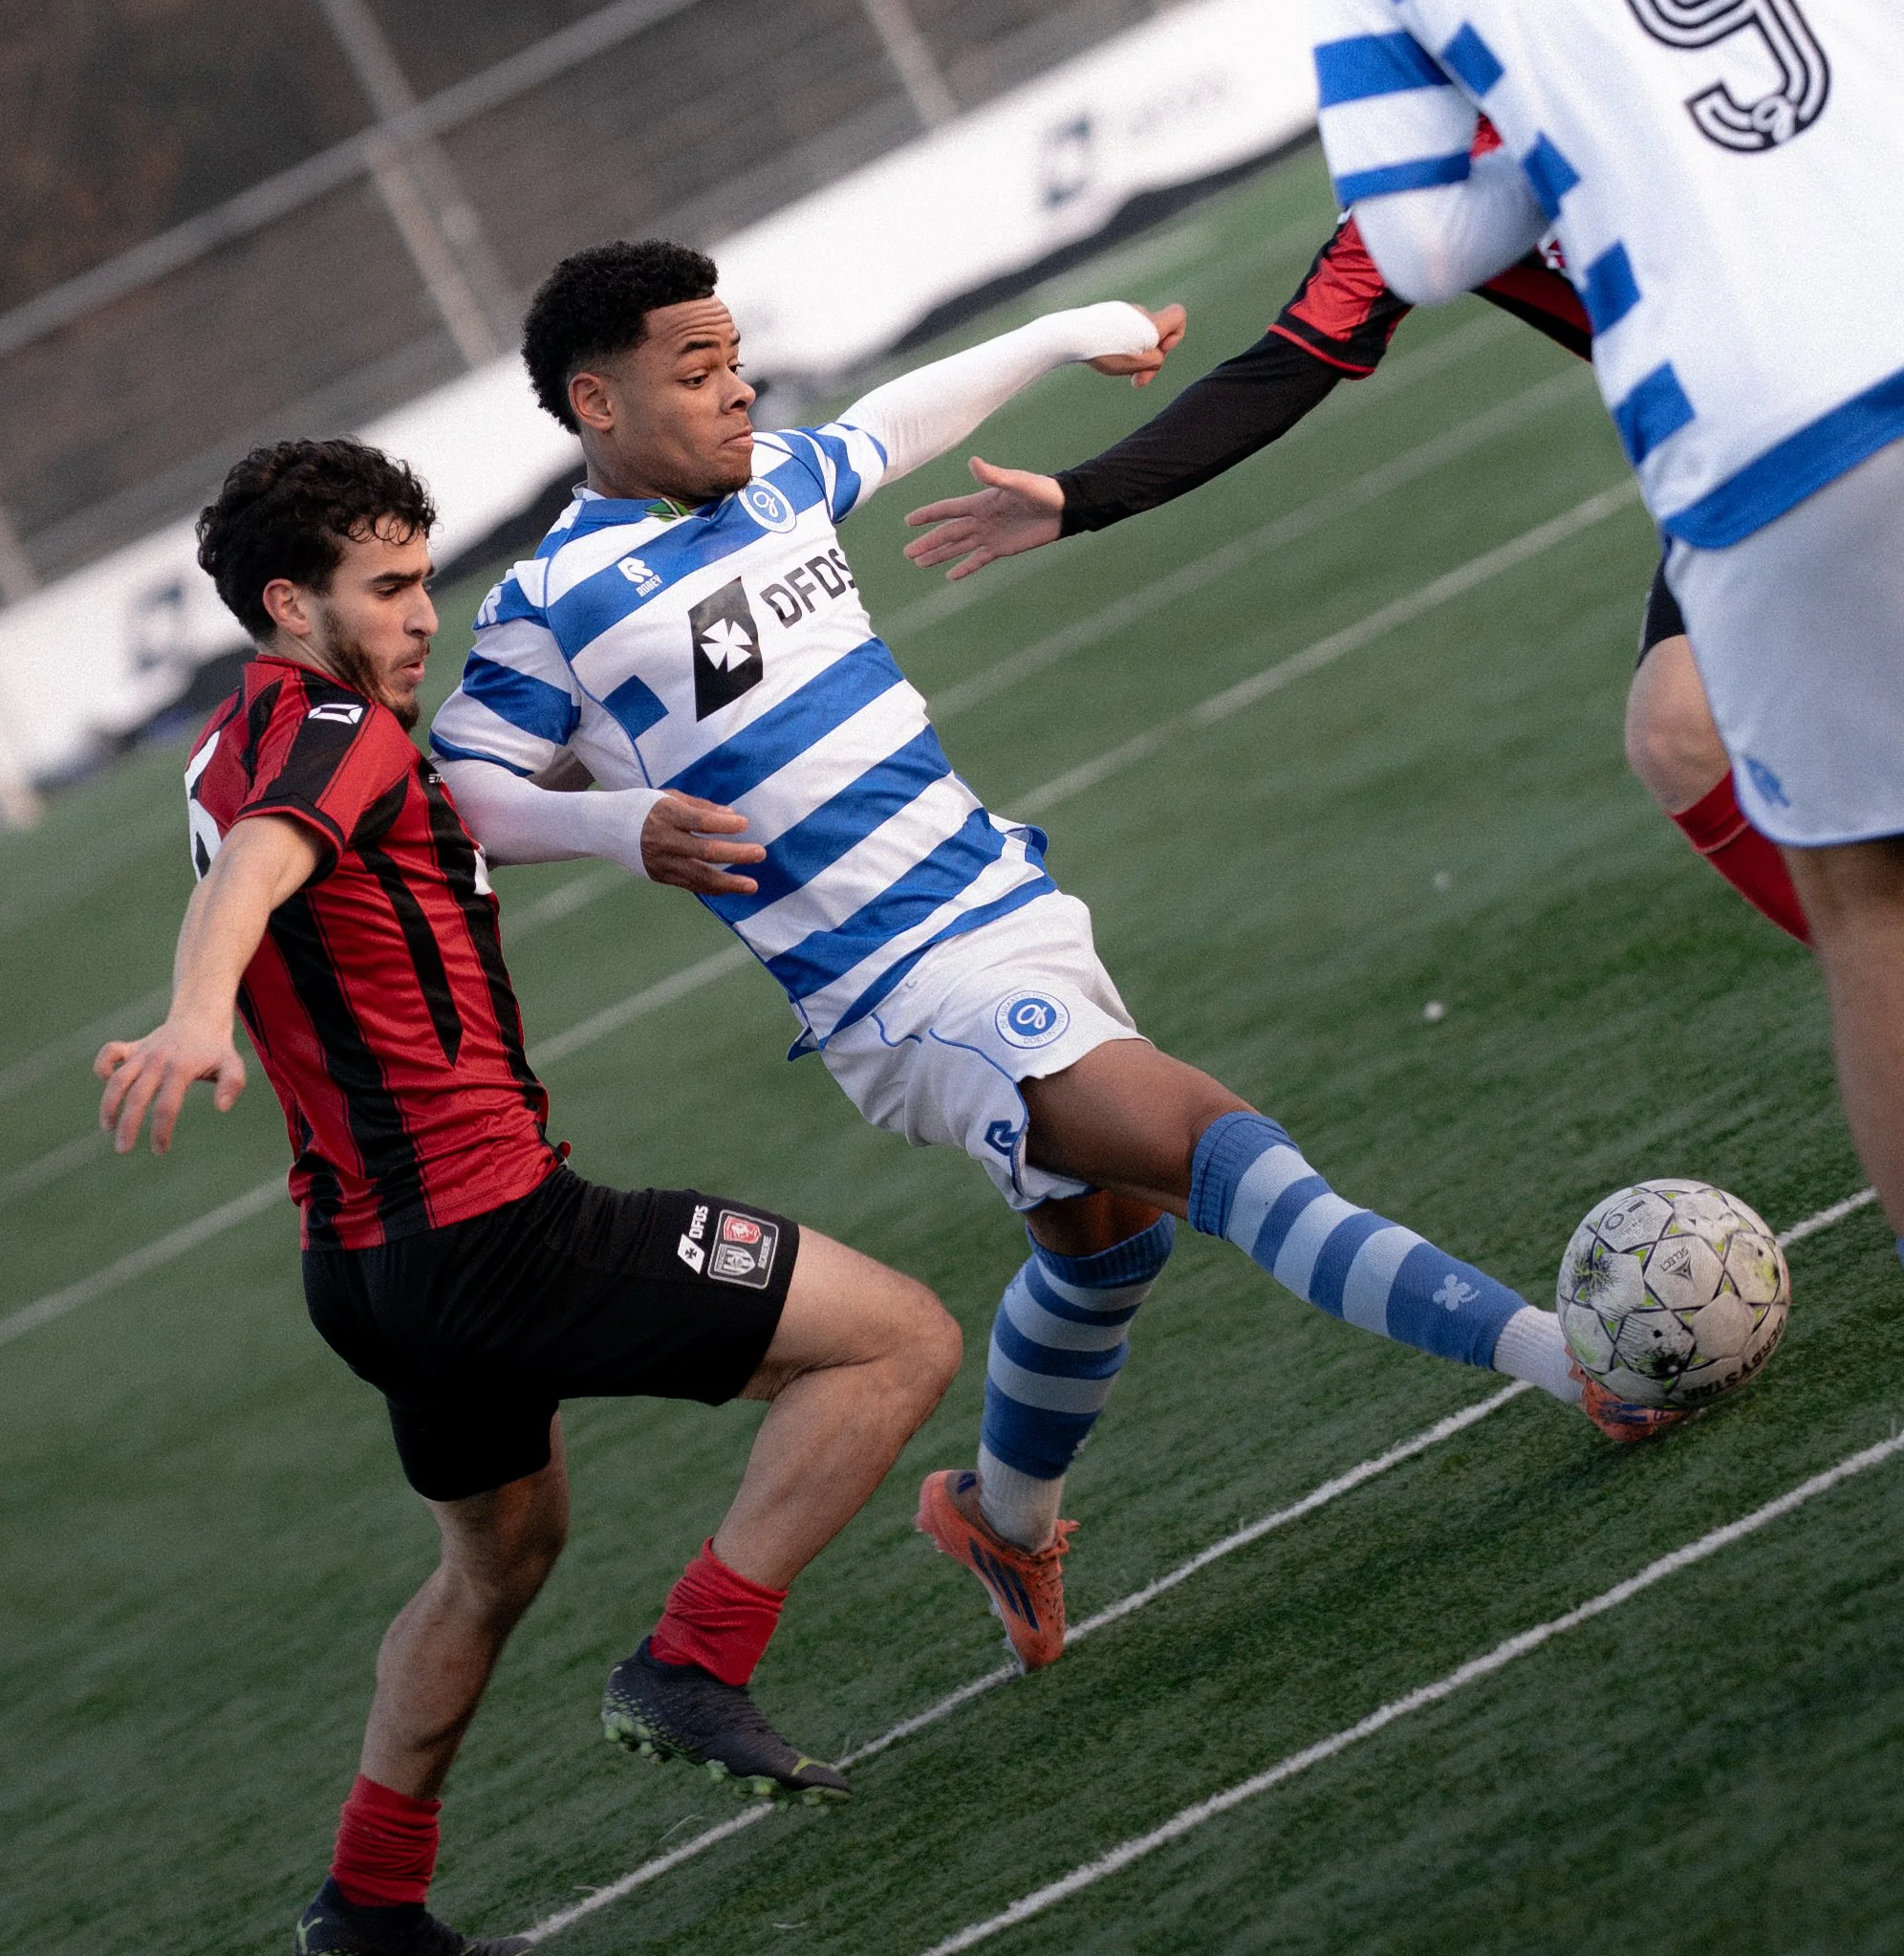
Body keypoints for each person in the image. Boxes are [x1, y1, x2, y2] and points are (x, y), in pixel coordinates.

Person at [430, 240, 1652, 1693]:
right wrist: (615, 821)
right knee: (1219, 1145)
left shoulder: (778, 482)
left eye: (737, 356)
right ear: (598, 403)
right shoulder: (553, 596)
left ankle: (1003, 1526)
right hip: (902, 995)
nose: (738, 389)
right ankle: (1568, 1359)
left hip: (1011, 906)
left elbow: (904, 412)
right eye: (697, 373)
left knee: (1107, 1243)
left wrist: (1078, 326)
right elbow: (463, 792)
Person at [95, 440, 963, 1956]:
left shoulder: (239, 737)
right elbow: (276, 864)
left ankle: (369, 1898)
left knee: (499, 1561)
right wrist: (194, 1016)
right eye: (392, 587)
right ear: (291, 603)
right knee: (893, 1341)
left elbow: (317, 841)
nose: (426, 614)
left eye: (428, 577)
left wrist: (601, 793)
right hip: (497, 1232)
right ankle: (695, 1661)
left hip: (364, 1271)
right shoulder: (342, 734)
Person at [899, 0, 1808, 948]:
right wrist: (1077, 496)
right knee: (1681, 735)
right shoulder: (1416, 186)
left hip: (1824, 389)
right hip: (1735, 449)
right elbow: (1285, 364)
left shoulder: (1610, 9)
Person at [1287, 0, 1904, 1245]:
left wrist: (1591, 147)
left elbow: (1425, 247)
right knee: (1672, 727)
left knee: (1873, 907)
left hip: (1758, 412)